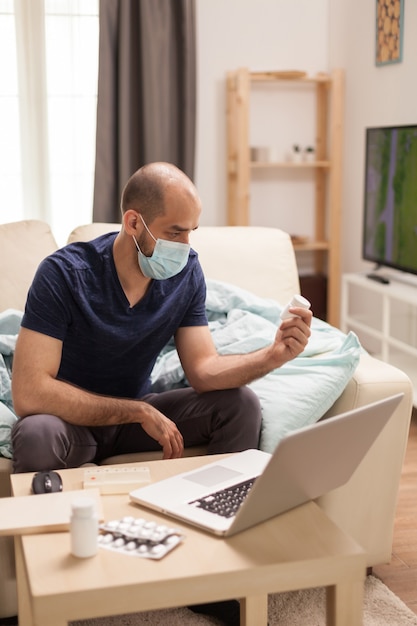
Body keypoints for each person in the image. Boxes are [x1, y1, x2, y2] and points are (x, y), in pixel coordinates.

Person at [11, 162, 312, 474]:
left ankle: (216, 512)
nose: (185, 247)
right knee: (36, 435)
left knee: (241, 405)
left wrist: (274, 356)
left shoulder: (187, 273)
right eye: (174, 232)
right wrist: (136, 411)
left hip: (140, 418)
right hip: (70, 421)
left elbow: (203, 370)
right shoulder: (63, 274)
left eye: (190, 232)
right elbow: (30, 392)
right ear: (133, 223)